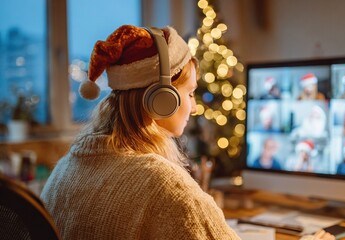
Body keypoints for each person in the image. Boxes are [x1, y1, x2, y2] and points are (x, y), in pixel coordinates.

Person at [39, 25, 240, 239]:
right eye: (190, 93)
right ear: (162, 99)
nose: (195, 107)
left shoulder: (64, 170)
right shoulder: (167, 185)